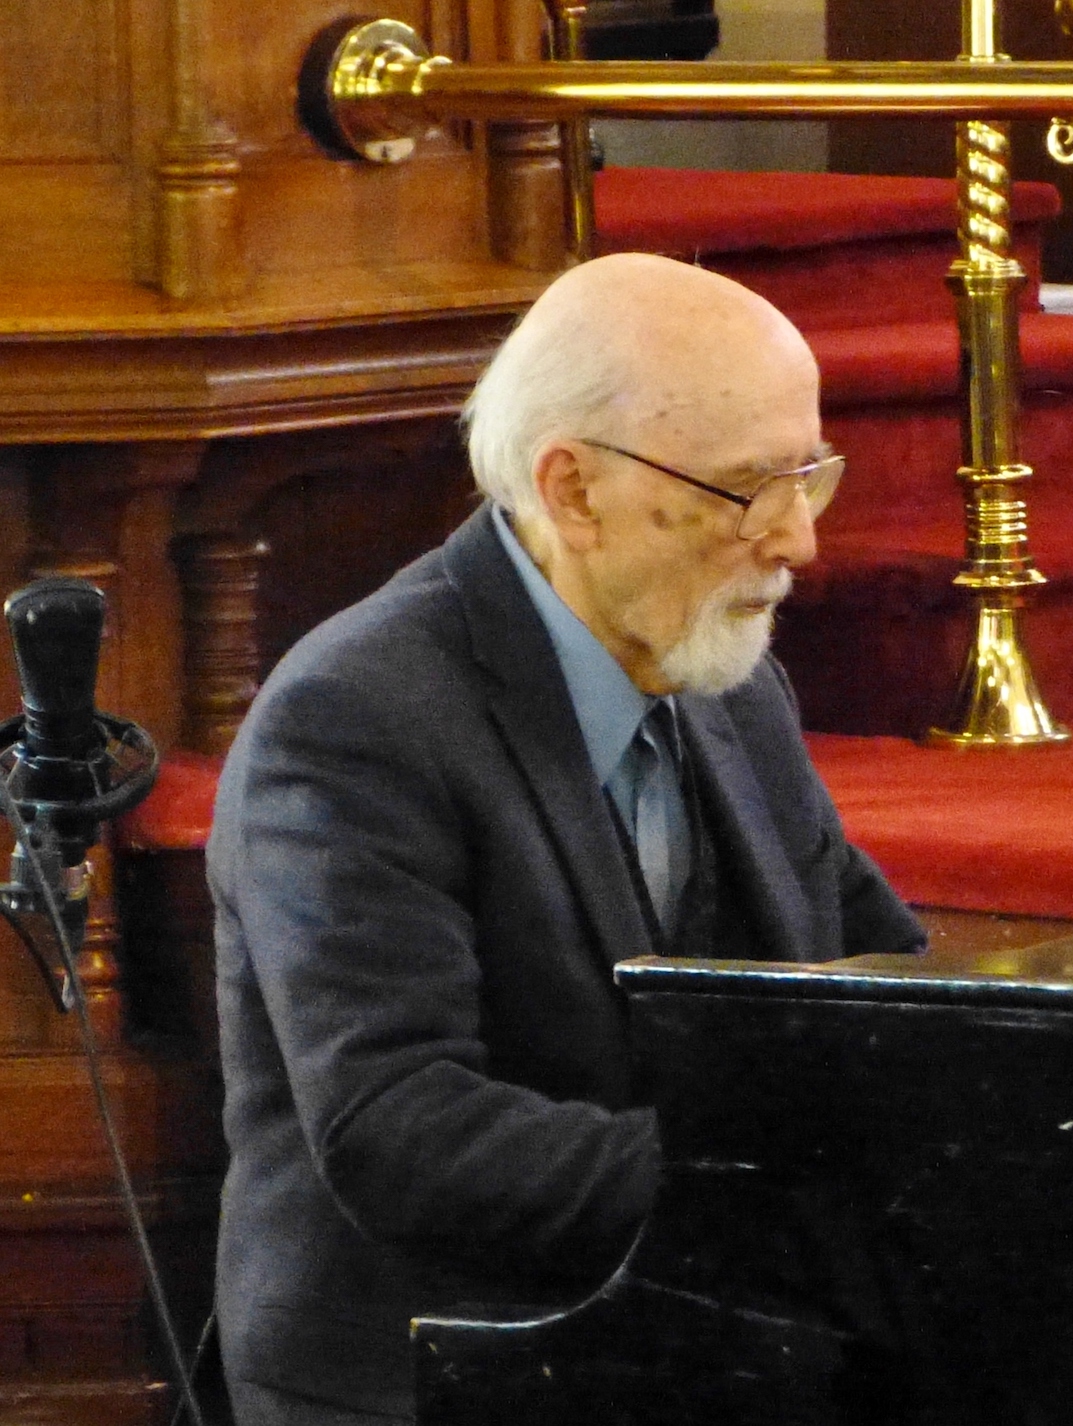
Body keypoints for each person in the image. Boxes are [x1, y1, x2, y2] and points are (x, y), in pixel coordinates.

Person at [207, 253, 927, 1425]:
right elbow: (400, 1125)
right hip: (437, 1374)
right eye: (748, 490)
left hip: (684, 1341)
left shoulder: (727, 680)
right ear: (574, 490)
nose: (798, 541)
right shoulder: (355, 719)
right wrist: (769, 1184)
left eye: (810, 477)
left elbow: (868, 967)